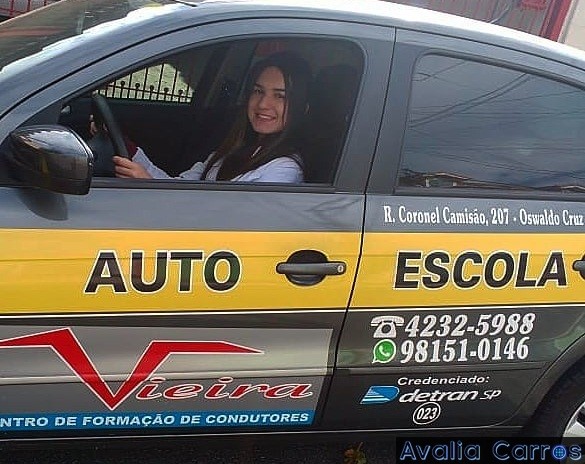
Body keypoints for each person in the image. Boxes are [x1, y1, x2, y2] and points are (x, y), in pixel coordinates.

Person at [112, 51, 311, 183]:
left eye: (280, 96)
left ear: (302, 107)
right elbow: (176, 186)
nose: (263, 104)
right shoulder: (231, 150)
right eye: (258, 91)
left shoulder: (284, 170)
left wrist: (149, 186)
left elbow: (223, 220)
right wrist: (129, 150)